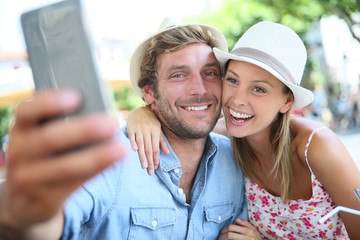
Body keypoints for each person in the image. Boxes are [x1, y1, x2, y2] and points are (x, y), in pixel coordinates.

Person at [0, 18, 249, 239]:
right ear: (149, 92)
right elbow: (50, 225)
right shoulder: (111, 159)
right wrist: (25, 215)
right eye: (178, 75)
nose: (200, 89)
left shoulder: (237, 160)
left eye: (209, 73)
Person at [127, 21, 360, 239]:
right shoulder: (222, 138)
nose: (237, 100)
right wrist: (143, 114)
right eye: (232, 81)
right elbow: (181, 123)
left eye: (258, 89)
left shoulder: (317, 147)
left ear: (287, 101)